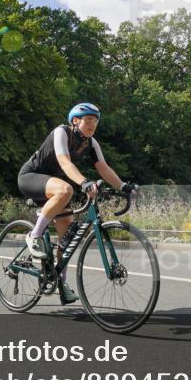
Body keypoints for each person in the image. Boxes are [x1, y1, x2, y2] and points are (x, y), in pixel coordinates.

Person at [17, 102, 135, 305]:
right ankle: (34, 236)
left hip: (54, 189)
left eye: (95, 121)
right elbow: (64, 161)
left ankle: (60, 282)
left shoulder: (91, 143)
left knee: (68, 238)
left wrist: (124, 187)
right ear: (75, 121)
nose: (92, 124)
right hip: (32, 177)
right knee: (66, 189)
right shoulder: (61, 132)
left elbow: (104, 169)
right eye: (88, 120)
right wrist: (83, 182)